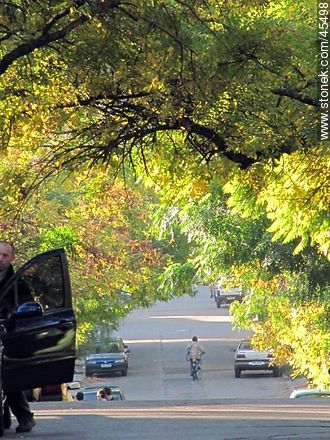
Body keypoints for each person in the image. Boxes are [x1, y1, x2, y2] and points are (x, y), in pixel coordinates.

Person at [0, 241, 36, 433]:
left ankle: (25, 417)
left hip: (8, 333)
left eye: (5, 255)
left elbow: (27, 306)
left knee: (8, 377)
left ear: (12, 258)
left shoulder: (18, 283)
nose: (1, 259)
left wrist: (13, 315)